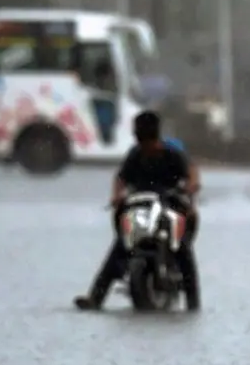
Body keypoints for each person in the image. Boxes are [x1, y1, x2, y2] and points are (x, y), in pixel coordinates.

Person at [73, 111, 201, 311]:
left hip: (169, 203)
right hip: (140, 204)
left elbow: (191, 173)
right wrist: (116, 196)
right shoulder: (135, 154)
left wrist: (191, 188)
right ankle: (96, 298)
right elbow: (121, 178)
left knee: (183, 249)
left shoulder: (172, 154)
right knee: (120, 245)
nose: (145, 147)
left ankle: (193, 302)